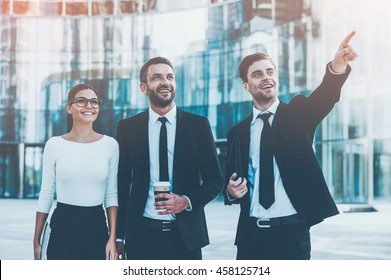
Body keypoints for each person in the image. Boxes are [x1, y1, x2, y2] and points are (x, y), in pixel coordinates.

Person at [223, 31, 358, 260]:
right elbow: (231, 182)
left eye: (270, 72)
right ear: (246, 86)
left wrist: (337, 66)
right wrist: (231, 191)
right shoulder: (237, 133)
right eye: (257, 74)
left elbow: (325, 96)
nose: (266, 77)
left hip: (292, 237)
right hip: (250, 239)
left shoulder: (299, 113)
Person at [116, 56, 223, 260]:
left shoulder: (198, 126)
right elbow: (121, 184)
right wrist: (119, 237)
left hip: (186, 238)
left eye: (170, 77)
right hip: (141, 237)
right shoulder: (128, 128)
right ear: (144, 87)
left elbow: (215, 180)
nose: (165, 82)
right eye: (156, 77)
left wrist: (187, 201)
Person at [33, 84, 119, 260]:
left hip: (96, 230)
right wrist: (37, 241)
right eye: (81, 101)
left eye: (94, 102)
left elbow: (111, 195)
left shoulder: (110, 145)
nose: (89, 106)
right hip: (62, 230)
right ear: (69, 108)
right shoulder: (54, 145)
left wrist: (112, 238)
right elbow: (46, 194)